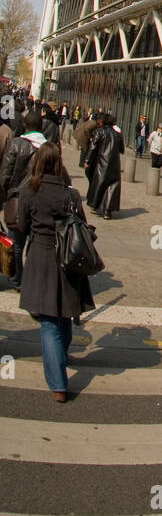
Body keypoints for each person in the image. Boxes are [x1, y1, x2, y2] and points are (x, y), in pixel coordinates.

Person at [18, 142, 94, 403]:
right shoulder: (70, 194)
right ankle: (60, 357)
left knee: (49, 321)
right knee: (64, 314)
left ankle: (59, 383)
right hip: (67, 261)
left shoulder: (30, 189)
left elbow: (23, 224)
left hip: (41, 256)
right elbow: (82, 225)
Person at [0, 127, 46, 289]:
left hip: (17, 201)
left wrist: (6, 197)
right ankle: (32, 280)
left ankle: (16, 279)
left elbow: (5, 175)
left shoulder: (16, 144)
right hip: (40, 203)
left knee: (16, 244)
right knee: (34, 245)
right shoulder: (48, 148)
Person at [85, 112, 124, 219]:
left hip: (102, 163)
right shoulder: (117, 134)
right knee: (112, 187)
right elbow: (122, 149)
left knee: (99, 184)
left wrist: (87, 161)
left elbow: (93, 148)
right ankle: (108, 211)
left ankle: (95, 205)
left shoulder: (99, 132)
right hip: (114, 164)